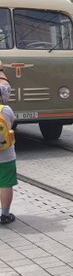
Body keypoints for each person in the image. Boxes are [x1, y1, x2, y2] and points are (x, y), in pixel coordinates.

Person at [0, 82, 16, 225]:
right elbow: (10, 125)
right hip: (5, 155)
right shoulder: (6, 109)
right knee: (5, 183)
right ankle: (5, 215)